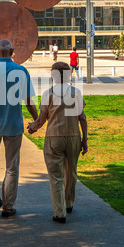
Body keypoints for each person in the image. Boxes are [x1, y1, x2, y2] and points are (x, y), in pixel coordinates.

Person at [0, 39, 38, 217]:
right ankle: (9, 206)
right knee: (12, 166)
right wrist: (37, 122)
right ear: (12, 52)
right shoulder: (21, 70)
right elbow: (29, 101)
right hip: (14, 124)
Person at [27, 61, 88, 224]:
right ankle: (69, 203)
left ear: (53, 76)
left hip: (54, 137)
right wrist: (85, 140)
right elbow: (82, 118)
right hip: (74, 137)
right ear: (69, 76)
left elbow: (41, 119)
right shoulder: (76, 92)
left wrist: (32, 127)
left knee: (56, 176)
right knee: (71, 172)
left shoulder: (49, 93)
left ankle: (59, 212)